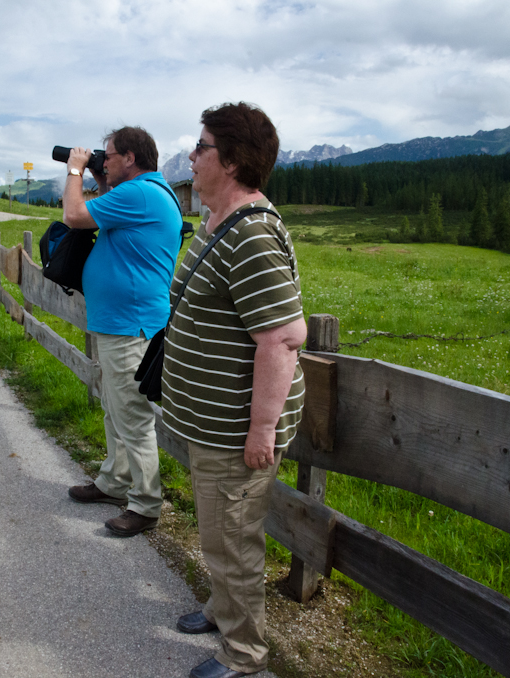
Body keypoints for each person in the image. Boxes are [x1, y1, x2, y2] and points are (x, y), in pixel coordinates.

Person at [162, 103, 306, 678]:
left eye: (201, 148)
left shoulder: (250, 236)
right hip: (211, 422)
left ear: (233, 161)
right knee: (218, 531)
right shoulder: (217, 222)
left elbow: (282, 338)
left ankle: (243, 655)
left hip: (235, 430)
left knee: (233, 540)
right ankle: (223, 611)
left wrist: (261, 430)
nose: (192, 157)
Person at [62, 126, 183, 537]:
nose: (104, 159)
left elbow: (75, 216)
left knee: (131, 416)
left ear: (130, 158)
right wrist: (101, 179)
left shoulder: (141, 193)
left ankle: (146, 504)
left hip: (129, 326)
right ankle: (114, 483)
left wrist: (76, 171)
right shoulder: (141, 193)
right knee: (115, 410)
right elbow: (107, 215)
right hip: (121, 322)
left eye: (109, 155)